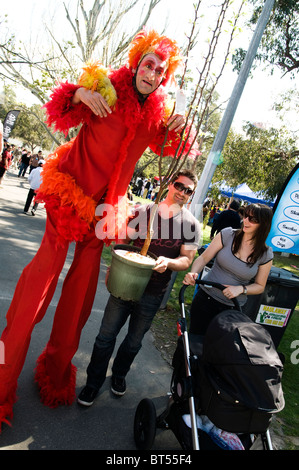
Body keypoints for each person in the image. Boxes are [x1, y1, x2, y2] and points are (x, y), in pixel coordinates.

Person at [0, 28, 198, 430]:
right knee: (38, 287)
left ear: (163, 77)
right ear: (137, 63)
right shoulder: (106, 86)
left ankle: (55, 375)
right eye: (148, 64)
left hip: (105, 213)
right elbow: (62, 111)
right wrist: (76, 94)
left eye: (160, 69)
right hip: (69, 194)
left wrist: (182, 126)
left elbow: (175, 150)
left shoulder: (156, 115)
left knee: (78, 298)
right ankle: (2, 379)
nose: (152, 72)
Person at [77, 169, 201, 406]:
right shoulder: (143, 212)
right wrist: (114, 267)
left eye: (188, 191)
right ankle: (92, 384)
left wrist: (170, 263)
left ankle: (119, 376)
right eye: (179, 186)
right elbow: (122, 241)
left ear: (191, 196)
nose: (182, 192)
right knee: (105, 337)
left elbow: (186, 260)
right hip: (125, 284)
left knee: (134, 342)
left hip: (154, 292)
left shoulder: (191, 225)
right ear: (169, 185)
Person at [183, 203, 273, 336]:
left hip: (232, 308)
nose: (246, 221)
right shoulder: (227, 235)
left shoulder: (265, 254)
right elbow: (203, 258)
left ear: (263, 225)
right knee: (194, 342)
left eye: (252, 219)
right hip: (206, 299)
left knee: (218, 350)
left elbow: (260, 286)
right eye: (246, 216)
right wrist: (194, 272)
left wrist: (241, 289)